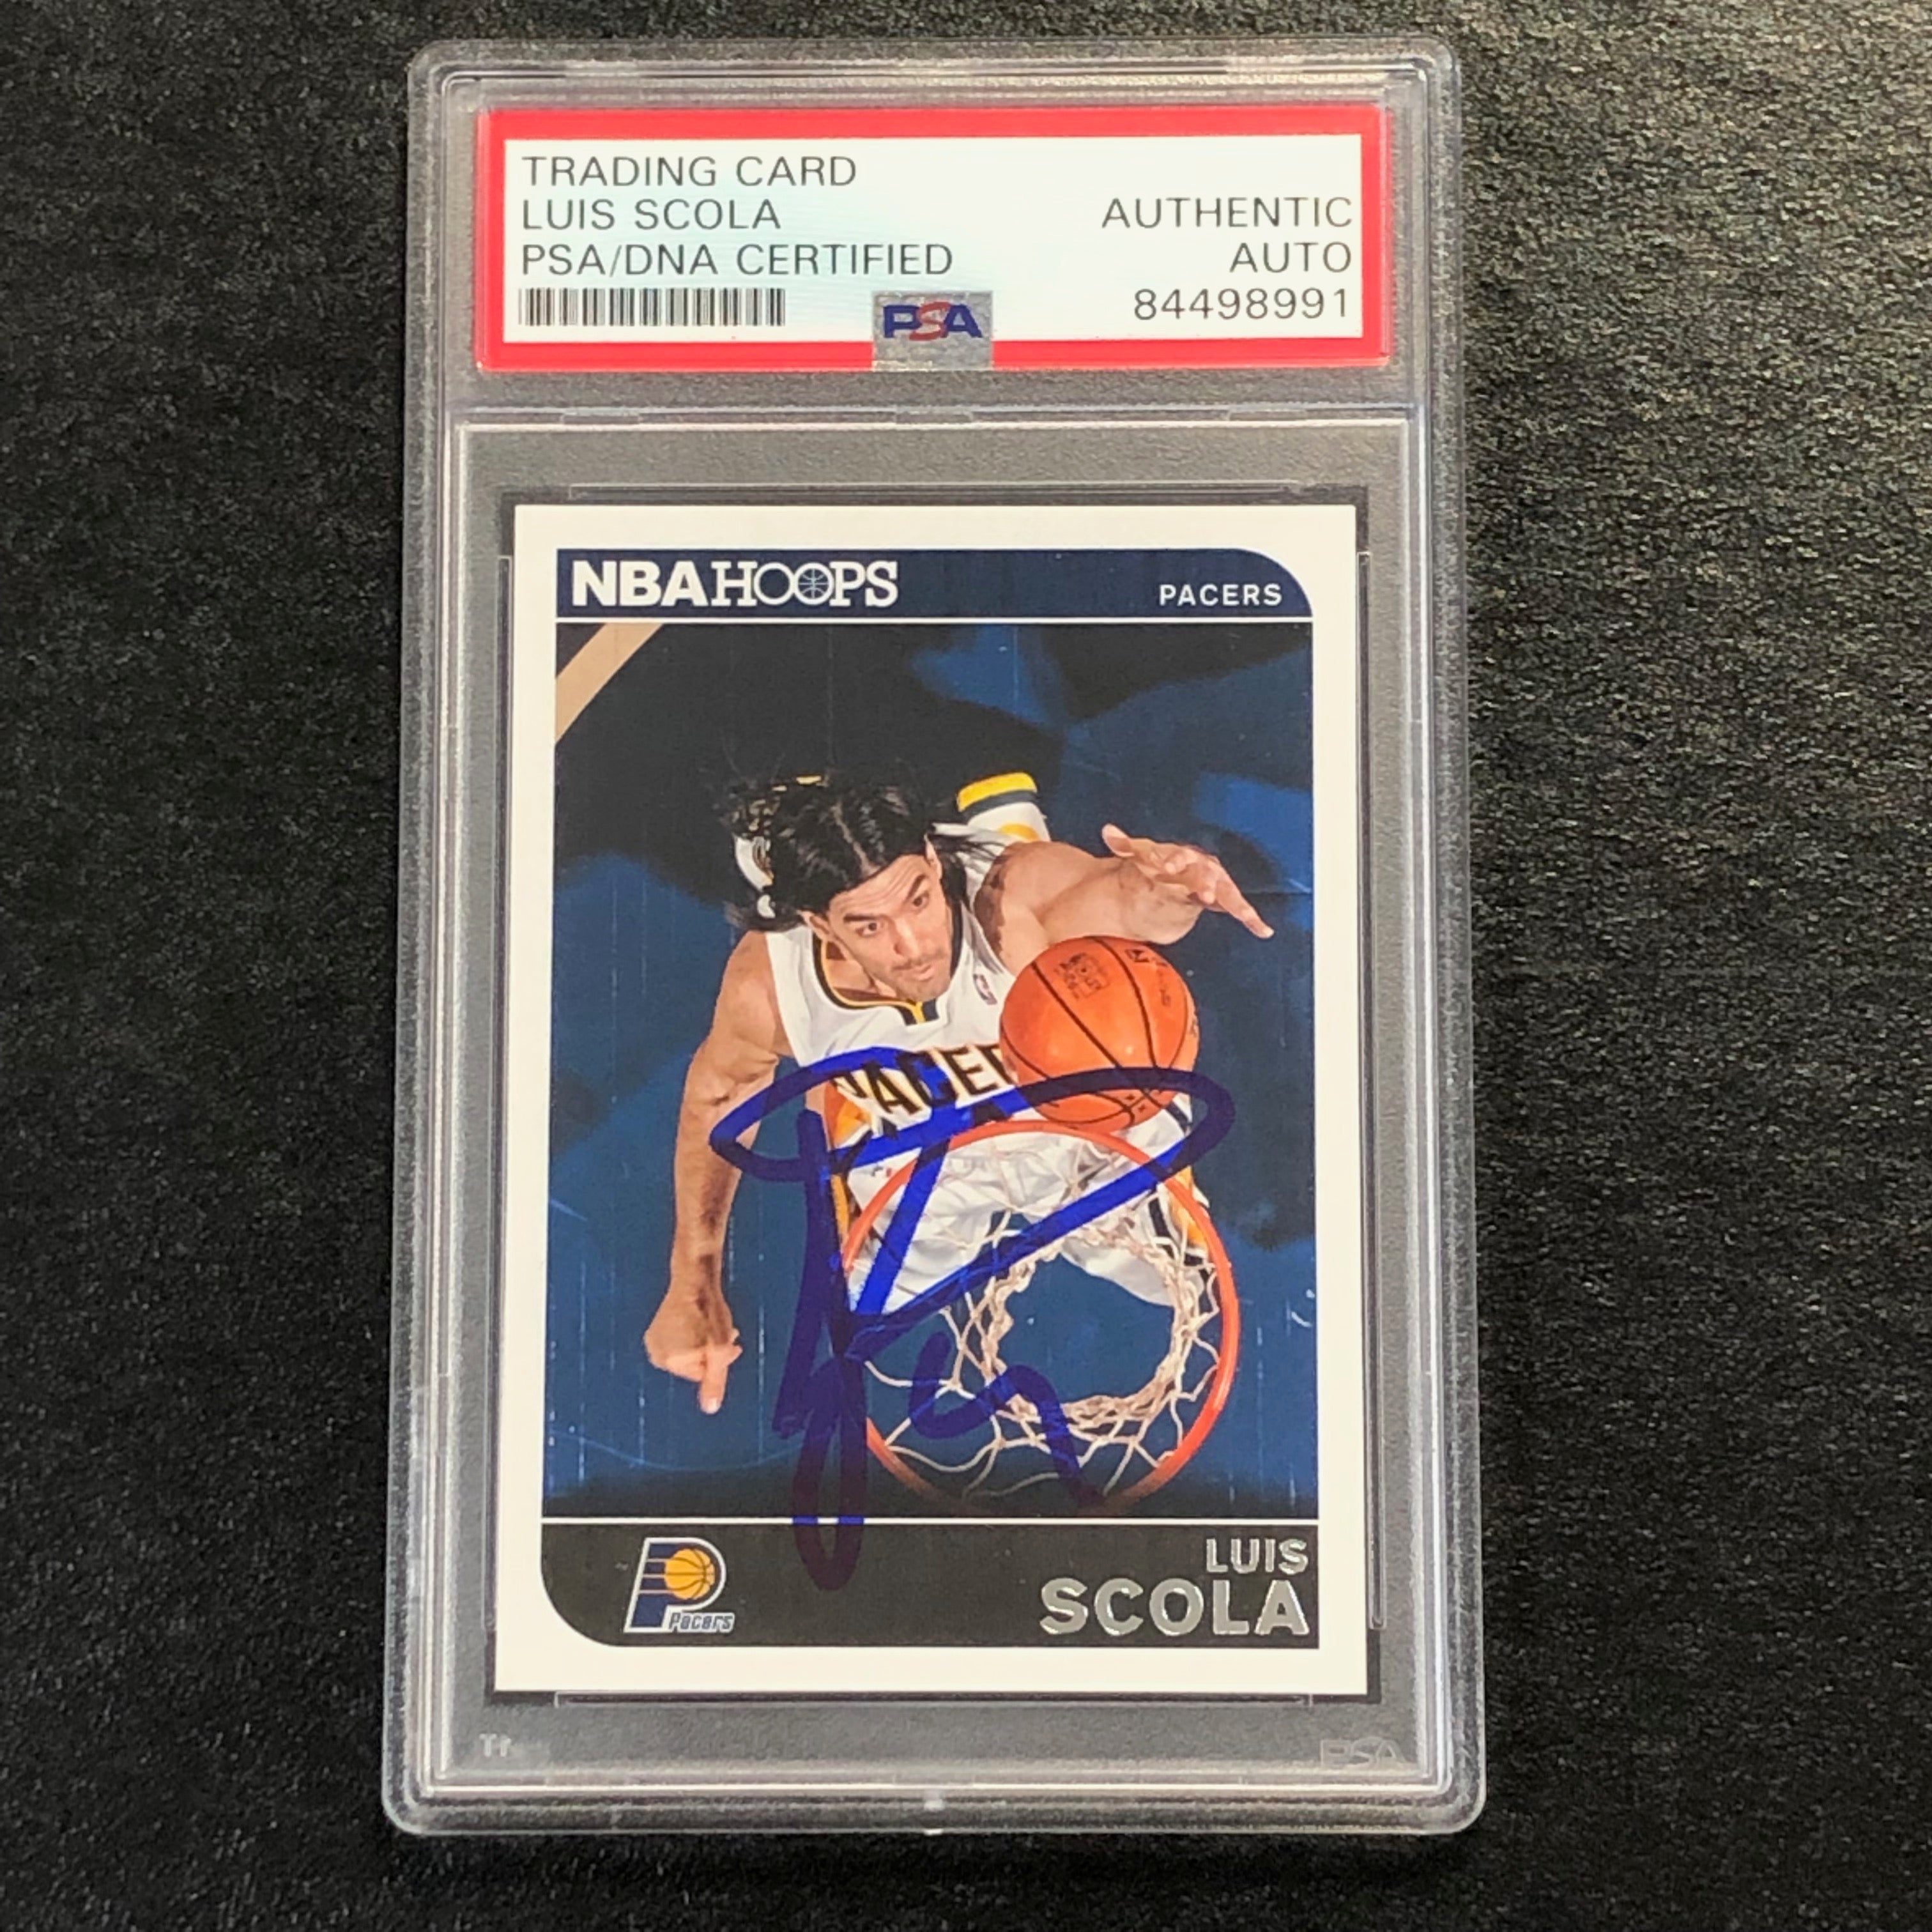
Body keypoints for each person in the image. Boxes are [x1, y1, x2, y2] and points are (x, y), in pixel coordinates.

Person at [643, 771, 1273, 1413]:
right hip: (917, 1143)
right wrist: (693, 1277)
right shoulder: (771, 988)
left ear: (930, 859)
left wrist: (1173, 888)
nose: (913, 946)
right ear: (821, 927)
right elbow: (721, 1096)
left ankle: (1006, 827)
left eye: (919, 900)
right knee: (870, 1306)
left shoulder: (1011, 896)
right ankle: (843, 1084)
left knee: (1179, 1279)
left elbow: (1122, 896)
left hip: (1076, 1120)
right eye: (869, 927)